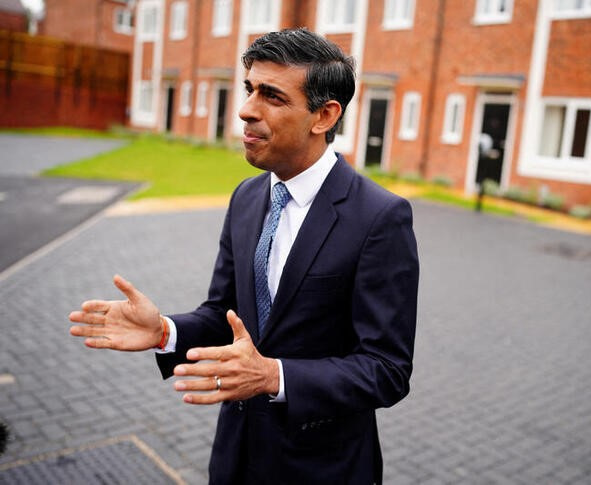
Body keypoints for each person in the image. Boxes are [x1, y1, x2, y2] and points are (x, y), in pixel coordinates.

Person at [69, 28, 419, 484]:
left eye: (272, 96)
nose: (245, 110)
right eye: (250, 88)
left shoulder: (379, 218)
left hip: (323, 468)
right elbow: (224, 315)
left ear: (324, 115)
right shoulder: (247, 198)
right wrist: (164, 332)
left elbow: (387, 370)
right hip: (235, 458)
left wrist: (274, 376)